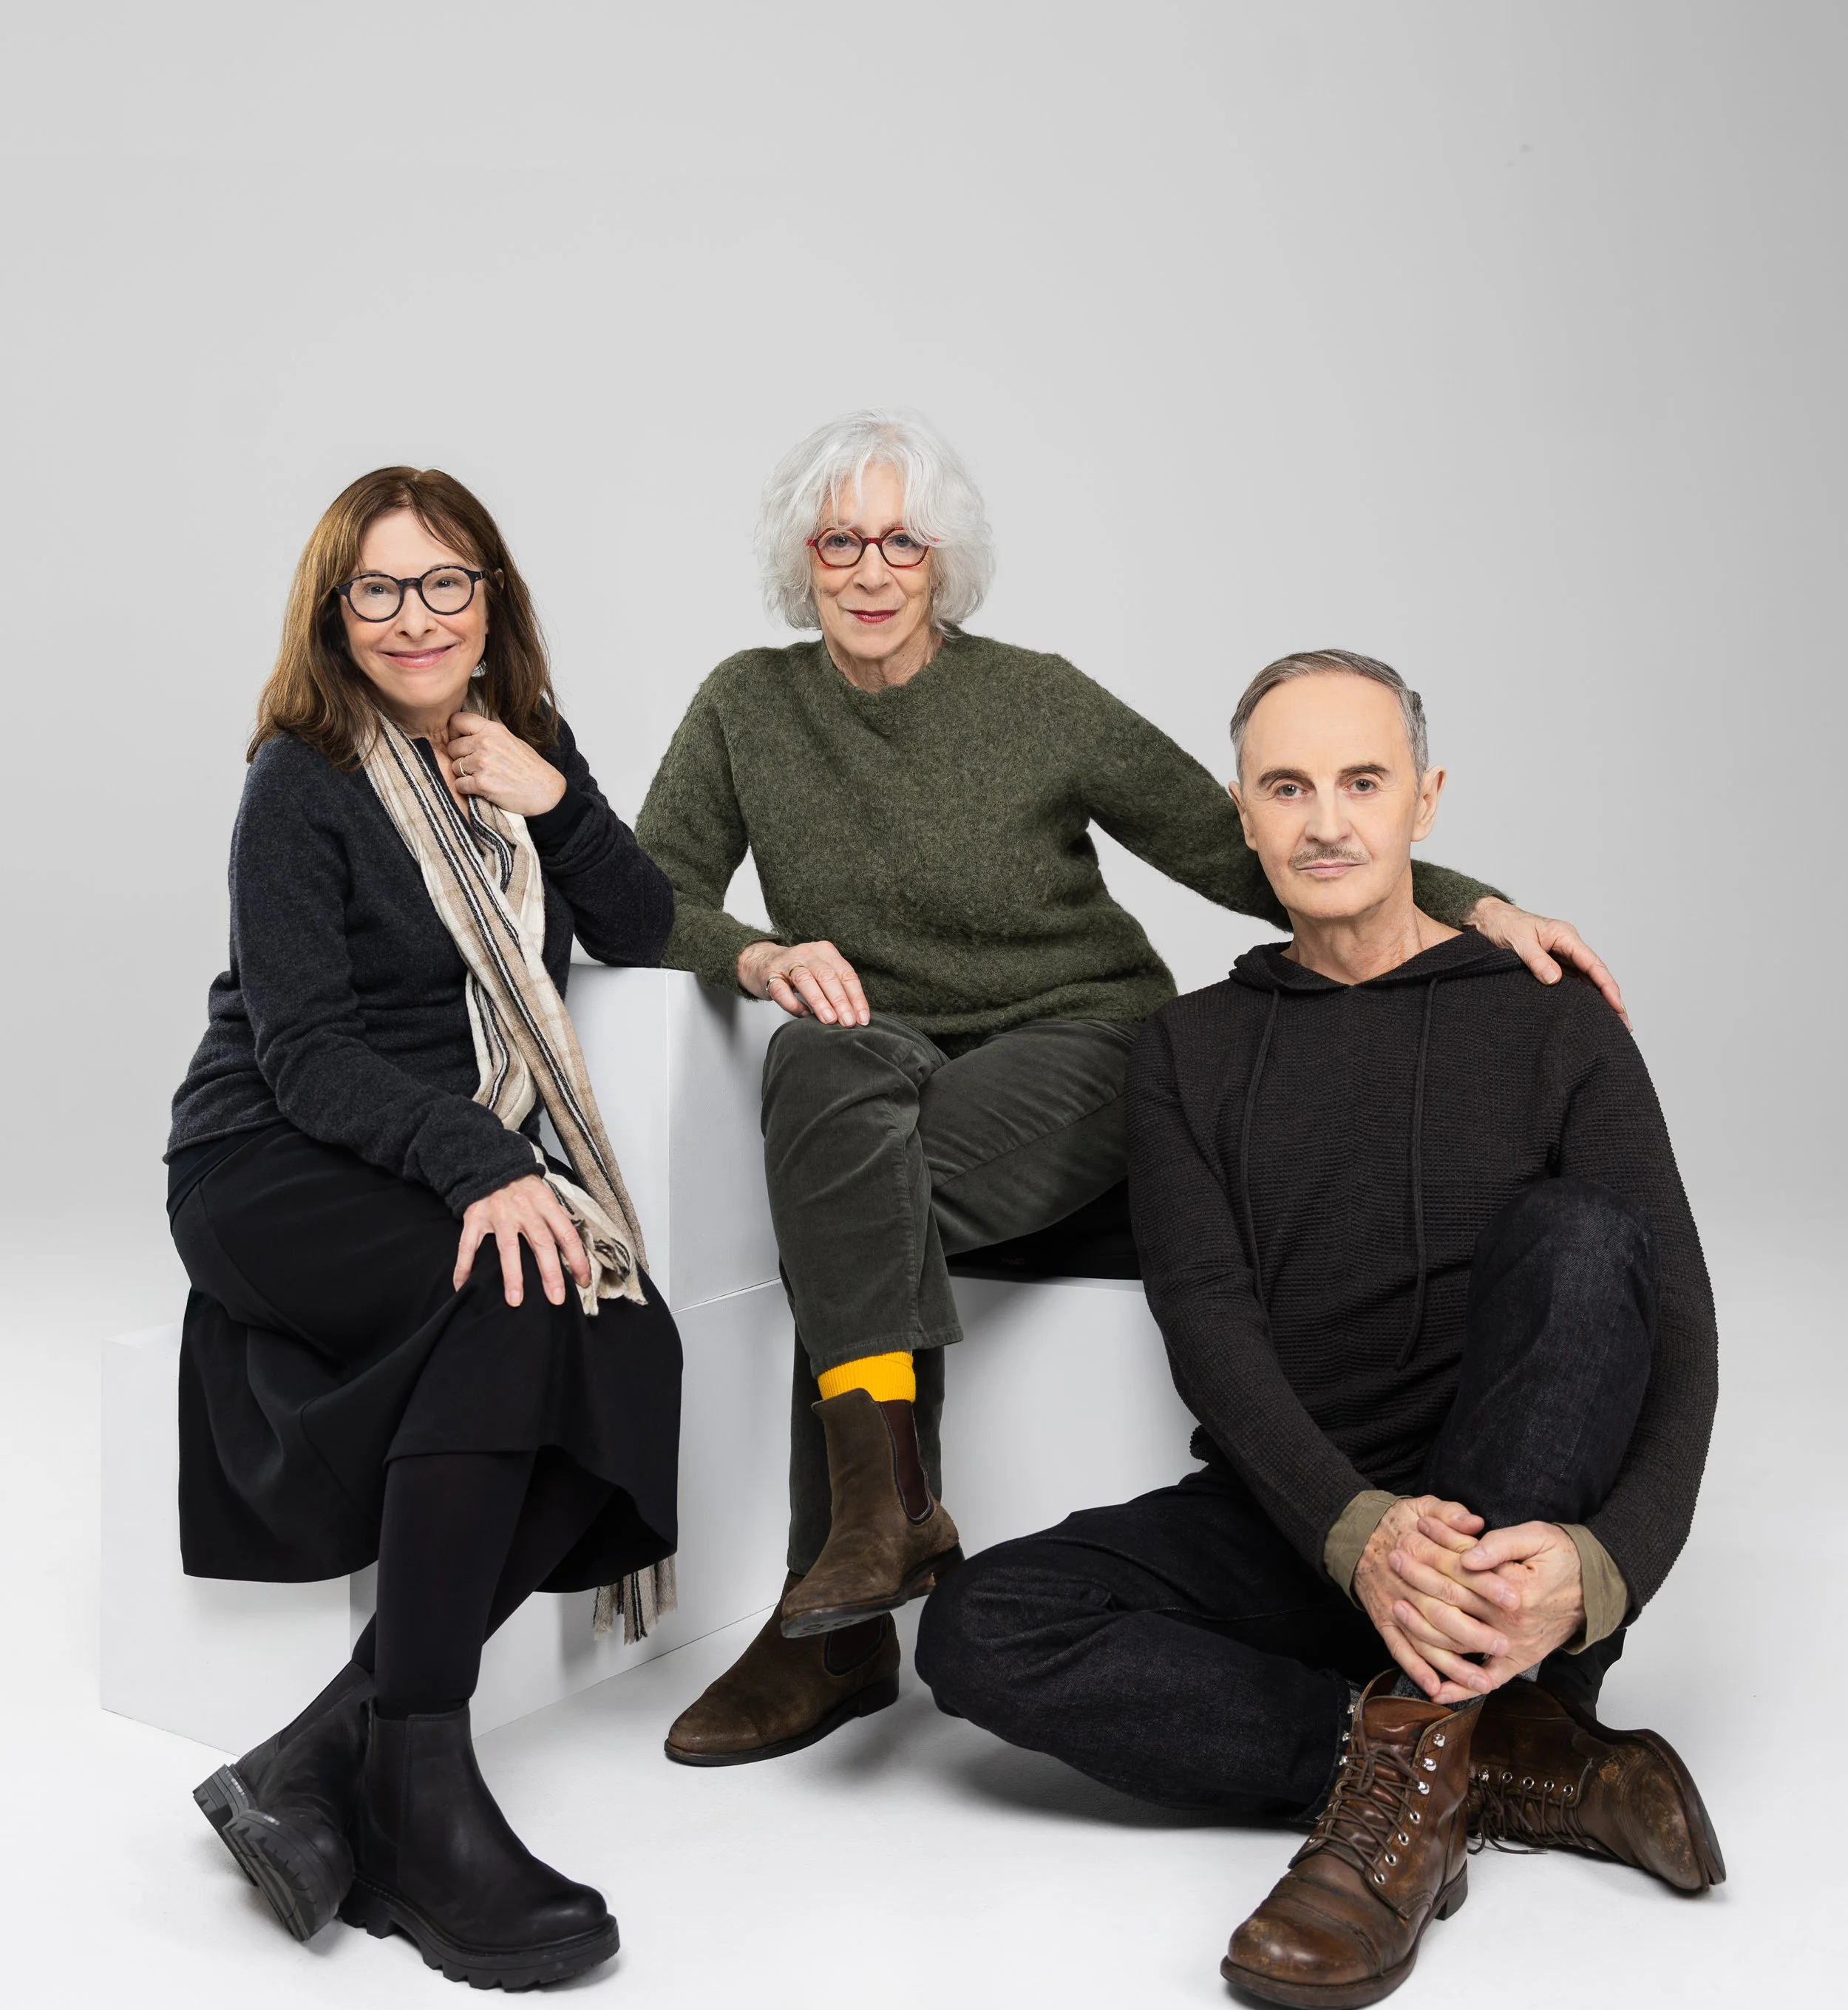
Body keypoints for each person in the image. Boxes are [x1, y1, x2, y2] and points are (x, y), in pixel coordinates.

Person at [636, 410, 1628, 1770]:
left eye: (902, 541)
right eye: (840, 541)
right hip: (890, 1054)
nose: (871, 570)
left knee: (848, 1200)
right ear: (799, 559)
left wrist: (1477, 902)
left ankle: (843, 1611)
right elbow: (651, 897)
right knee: (817, 1062)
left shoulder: (1034, 697)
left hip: (1083, 1041)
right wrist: (754, 950)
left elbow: (1242, 845)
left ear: (944, 560)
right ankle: (880, 1536)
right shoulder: (749, 704)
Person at [915, 648, 1722, 2010]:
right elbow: (1209, 1327)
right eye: (1287, 787)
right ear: (1241, 813)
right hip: (1304, 1514)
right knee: (978, 1628)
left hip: (1509, 1530)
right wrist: (1354, 1530)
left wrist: (1606, 1565)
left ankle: (1399, 1800)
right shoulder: (1188, 1049)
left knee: (1586, 1240)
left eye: (1363, 781)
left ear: (1426, 801)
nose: (1326, 822)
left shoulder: (1551, 1022)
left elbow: (1679, 1326)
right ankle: (1486, 1757)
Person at [169, 467, 679, 1991]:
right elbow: (306, 1046)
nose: (416, 617)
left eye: (446, 582)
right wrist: (483, 1163)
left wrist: (558, 798)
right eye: (379, 590)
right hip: (273, 1152)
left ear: (492, 600)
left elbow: (641, 928)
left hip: (425, 1149)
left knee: (630, 1334)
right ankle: (421, 1768)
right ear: (335, 614)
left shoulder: (518, 748)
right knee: (523, 1293)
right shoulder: (301, 780)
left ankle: (331, 1750)